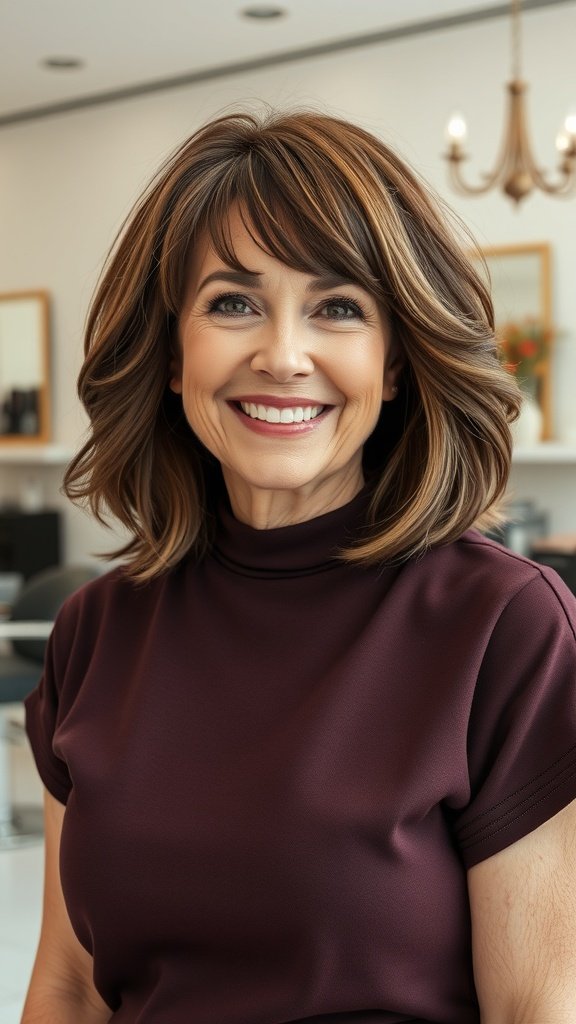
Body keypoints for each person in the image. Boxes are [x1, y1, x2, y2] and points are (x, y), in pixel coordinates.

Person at [22, 109, 576, 1024]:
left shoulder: (504, 626)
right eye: (233, 302)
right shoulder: (97, 628)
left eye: (339, 308)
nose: (283, 355)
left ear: (394, 363)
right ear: (172, 352)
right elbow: (71, 987)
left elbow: (537, 1008)